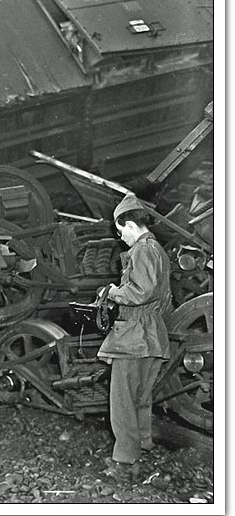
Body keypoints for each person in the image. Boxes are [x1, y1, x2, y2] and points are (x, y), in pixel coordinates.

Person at [97, 193, 173, 479]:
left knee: (122, 401)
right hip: (153, 334)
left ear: (129, 224)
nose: (122, 239)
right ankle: (142, 447)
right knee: (141, 397)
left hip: (134, 335)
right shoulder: (158, 250)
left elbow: (140, 292)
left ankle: (125, 462)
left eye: (121, 232)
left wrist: (112, 292)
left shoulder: (142, 250)